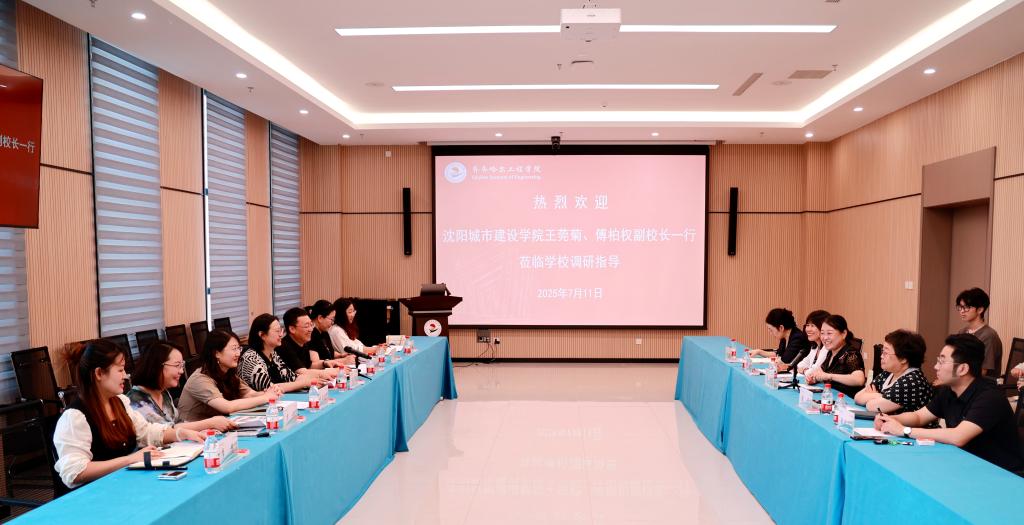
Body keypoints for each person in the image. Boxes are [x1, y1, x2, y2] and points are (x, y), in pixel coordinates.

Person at [53, 339, 207, 489]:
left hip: (121, 485)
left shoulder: (120, 402)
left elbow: (145, 431)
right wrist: (129, 460)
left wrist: (181, 433)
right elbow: (74, 472)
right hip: (92, 495)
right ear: (99, 373)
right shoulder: (75, 416)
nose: (125, 375)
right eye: (120, 370)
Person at [876, 334, 1023, 473]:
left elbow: (958, 436)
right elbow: (919, 417)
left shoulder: (990, 397)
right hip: (966, 463)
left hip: (1002, 473)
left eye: (942, 361)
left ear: (962, 369)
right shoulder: (948, 390)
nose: (936, 366)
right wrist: (891, 419)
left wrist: (904, 430)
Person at [126, 341, 236, 431]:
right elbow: (165, 431)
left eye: (182, 365)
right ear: (157, 366)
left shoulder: (163, 393)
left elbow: (178, 423)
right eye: (177, 365)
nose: (182, 371)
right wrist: (210, 423)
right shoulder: (135, 400)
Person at [178, 329, 280, 422]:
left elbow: (249, 394)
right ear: (217, 353)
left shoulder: (228, 372)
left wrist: (270, 392)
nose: (238, 353)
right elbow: (227, 407)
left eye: (239, 348)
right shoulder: (200, 379)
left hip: (218, 426)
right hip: (192, 432)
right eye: (234, 349)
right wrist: (266, 397)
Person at [854, 330, 933, 414]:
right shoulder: (888, 373)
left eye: (886, 353)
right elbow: (858, 397)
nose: (881, 356)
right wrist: (879, 396)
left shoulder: (912, 381)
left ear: (903, 358)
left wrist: (872, 396)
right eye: (882, 351)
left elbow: (872, 406)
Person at [238, 313, 320, 392]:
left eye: (281, 330)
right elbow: (269, 388)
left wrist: (315, 379)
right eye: (277, 331)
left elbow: (291, 377)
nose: (281, 334)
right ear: (262, 335)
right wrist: (304, 383)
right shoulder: (250, 358)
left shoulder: (272, 354)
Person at [804, 314, 865, 397]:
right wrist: (814, 378)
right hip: (830, 397)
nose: (825, 338)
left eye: (829, 333)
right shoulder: (830, 352)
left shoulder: (851, 354)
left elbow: (859, 380)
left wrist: (829, 376)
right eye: (822, 333)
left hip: (846, 400)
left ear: (843, 334)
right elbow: (820, 372)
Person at [277, 307, 345, 375]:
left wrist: (325, 363)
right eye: (306, 326)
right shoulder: (284, 346)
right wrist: (329, 372)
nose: (311, 329)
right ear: (292, 329)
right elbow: (302, 372)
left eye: (311, 325)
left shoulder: (303, 342)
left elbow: (309, 365)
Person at [955, 288, 1003, 378]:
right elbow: (956, 361)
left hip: (981, 383)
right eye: (960, 307)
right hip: (962, 379)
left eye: (966, 307)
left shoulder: (989, 336)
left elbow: (982, 371)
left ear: (980, 310)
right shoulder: (962, 332)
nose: (962, 311)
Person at [308, 300, 355, 367]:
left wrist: (340, 355)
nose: (332, 323)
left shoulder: (324, 332)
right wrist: (344, 361)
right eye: (332, 319)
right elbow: (316, 364)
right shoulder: (310, 335)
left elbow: (327, 351)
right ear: (320, 318)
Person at [795, 310, 830, 374]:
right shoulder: (815, 347)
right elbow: (800, 365)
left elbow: (814, 371)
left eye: (812, 326)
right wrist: (806, 370)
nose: (808, 329)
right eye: (807, 325)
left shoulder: (827, 348)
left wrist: (804, 370)